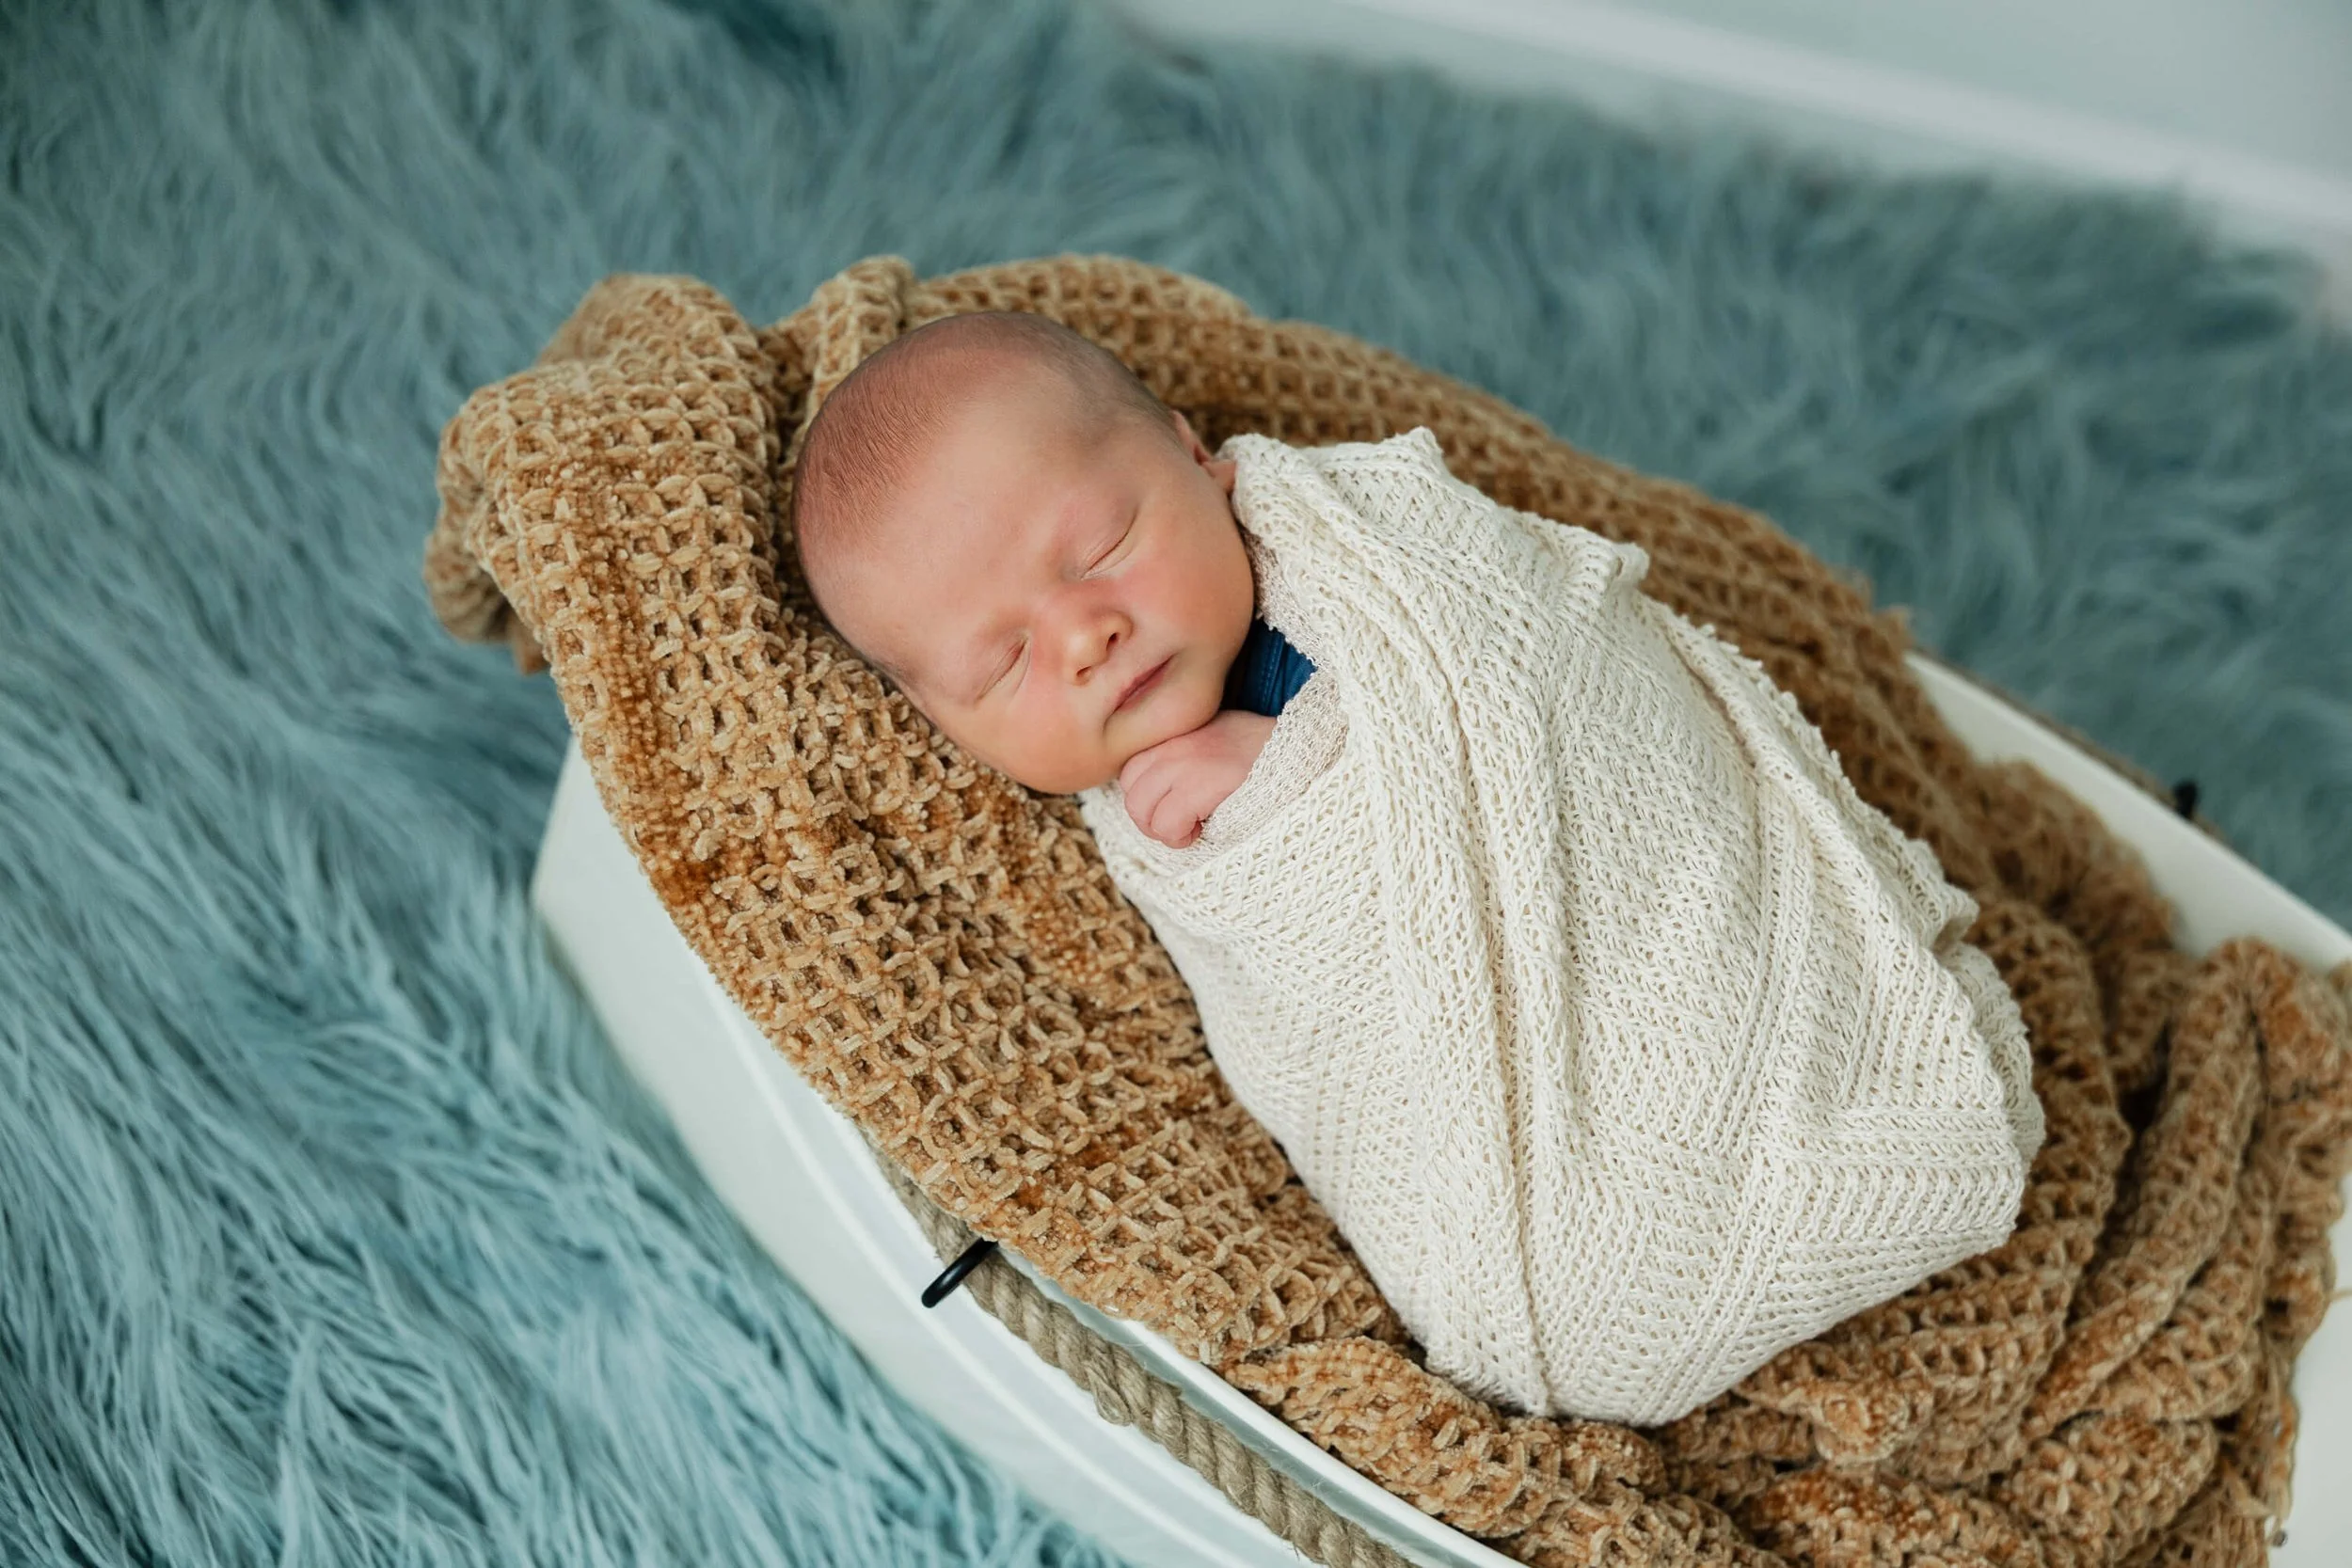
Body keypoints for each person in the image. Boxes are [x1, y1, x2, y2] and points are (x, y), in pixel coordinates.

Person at [791, 310, 2043, 1425]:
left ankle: (1868, 1070)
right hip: (1538, 1187)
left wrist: (1295, 757)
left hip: (1701, 940)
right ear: (949, 727)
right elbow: (1320, 1023)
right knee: (1605, 1306)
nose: (1082, 637)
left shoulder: (1370, 553)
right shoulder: (1139, 834)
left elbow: (1532, 661)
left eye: (1103, 545)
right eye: (1001, 666)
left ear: (1194, 455)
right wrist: (1271, 817)